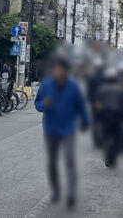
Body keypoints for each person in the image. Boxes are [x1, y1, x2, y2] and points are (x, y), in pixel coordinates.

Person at [35, 56, 90, 208]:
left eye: (61, 69)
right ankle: (55, 190)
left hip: (68, 129)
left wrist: (86, 122)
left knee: (69, 161)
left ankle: (71, 193)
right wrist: (43, 105)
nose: (58, 71)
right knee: (52, 162)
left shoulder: (73, 86)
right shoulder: (46, 85)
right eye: (56, 69)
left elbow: (81, 105)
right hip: (51, 128)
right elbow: (37, 102)